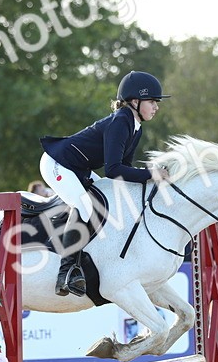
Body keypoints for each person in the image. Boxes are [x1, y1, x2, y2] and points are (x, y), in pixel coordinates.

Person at [38, 70, 171, 297]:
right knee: (85, 207)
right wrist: (151, 174)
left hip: (78, 168)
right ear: (135, 101)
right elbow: (113, 170)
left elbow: (123, 172)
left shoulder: (135, 126)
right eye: (152, 101)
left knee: (105, 202)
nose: (156, 107)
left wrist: (149, 183)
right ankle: (66, 272)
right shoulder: (121, 121)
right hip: (58, 164)